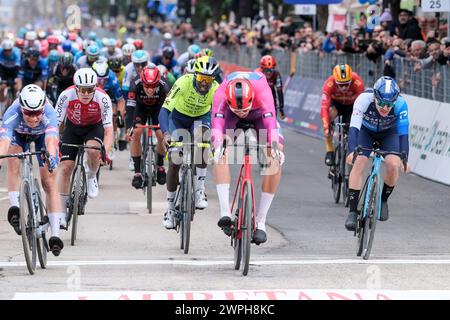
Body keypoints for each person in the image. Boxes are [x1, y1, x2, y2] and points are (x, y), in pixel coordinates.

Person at [211, 71, 284, 245]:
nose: (242, 113)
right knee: (220, 153)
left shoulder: (262, 91)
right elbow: (217, 125)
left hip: (260, 114)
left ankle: (261, 221)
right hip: (230, 117)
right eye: (239, 109)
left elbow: (271, 124)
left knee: (274, 158)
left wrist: (274, 148)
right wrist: (217, 146)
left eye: (244, 109)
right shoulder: (221, 94)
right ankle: (225, 213)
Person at [0, 85, 63, 256]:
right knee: (12, 161)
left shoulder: (49, 113)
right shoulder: (12, 113)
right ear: (21, 108)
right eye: (28, 113)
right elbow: (4, 140)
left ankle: (55, 235)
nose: (33, 118)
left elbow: (51, 140)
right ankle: (15, 209)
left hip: (43, 138)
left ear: (43, 108)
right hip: (19, 136)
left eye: (37, 113)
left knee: (49, 181)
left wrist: (51, 158)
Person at [158, 56, 220, 229]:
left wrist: (217, 140)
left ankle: (199, 190)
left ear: (213, 80)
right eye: (201, 78)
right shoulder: (182, 82)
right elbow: (164, 110)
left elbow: (219, 117)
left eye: (208, 80)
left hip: (201, 117)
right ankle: (170, 208)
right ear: (194, 76)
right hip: (178, 119)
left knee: (203, 140)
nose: (204, 83)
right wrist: (166, 134)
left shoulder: (216, 89)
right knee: (175, 159)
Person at [344, 76, 409, 231]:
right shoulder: (363, 100)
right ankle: (353, 211)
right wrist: (351, 151)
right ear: (374, 97)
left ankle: (383, 200)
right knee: (359, 162)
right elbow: (354, 128)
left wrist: (404, 157)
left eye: (389, 104)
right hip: (366, 132)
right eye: (381, 103)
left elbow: (403, 135)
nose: (385, 108)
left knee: (393, 165)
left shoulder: (401, 104)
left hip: (389, 134)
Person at [56, 68, 113, 216]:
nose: (86, 94)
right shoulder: (66, 95)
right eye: (82, 90)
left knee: (93, 151)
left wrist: (105, 151)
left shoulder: (103, 97)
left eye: (89, 90)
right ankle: (62, 211)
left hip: (94, 128)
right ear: (76, 87)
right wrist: (55, 145)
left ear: (95, 87)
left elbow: (109, 131)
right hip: (73, 128)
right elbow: (55, 125)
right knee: (65, 168)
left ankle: (92, 176)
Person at [127, 66, 169, 188]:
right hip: (141, 109)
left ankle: (160, 166)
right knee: (136, 132)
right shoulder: (135, 84)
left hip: (159, 108)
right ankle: (137, 172)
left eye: (153, 87)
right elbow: (130, 108)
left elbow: (171, 108)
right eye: (146, 87)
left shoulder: (165, 85)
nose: (150, 90)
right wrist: (129, 126)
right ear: (142, 82)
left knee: (161, 134)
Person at [321, 64, 365, 166]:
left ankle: (350, 150)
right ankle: (330, 151)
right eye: (340, 85)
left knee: (352, 129)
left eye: (346, 84)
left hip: (351, 106)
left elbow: (362, 106)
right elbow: (324, 108)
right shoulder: (329, 83)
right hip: (336, 105)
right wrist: (326, 127)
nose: (344, 87)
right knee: (330, 112)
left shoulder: (358, 83)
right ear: (335, 81)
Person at [255, 55, 285, 120]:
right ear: (262, 68)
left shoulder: (276, 74)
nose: (269, 72)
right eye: (266, 70)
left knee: (272, 120)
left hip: (271, 98)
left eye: (271, 69)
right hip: (258, 99)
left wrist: (281, 108)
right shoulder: (256, 73)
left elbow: (279, 91)